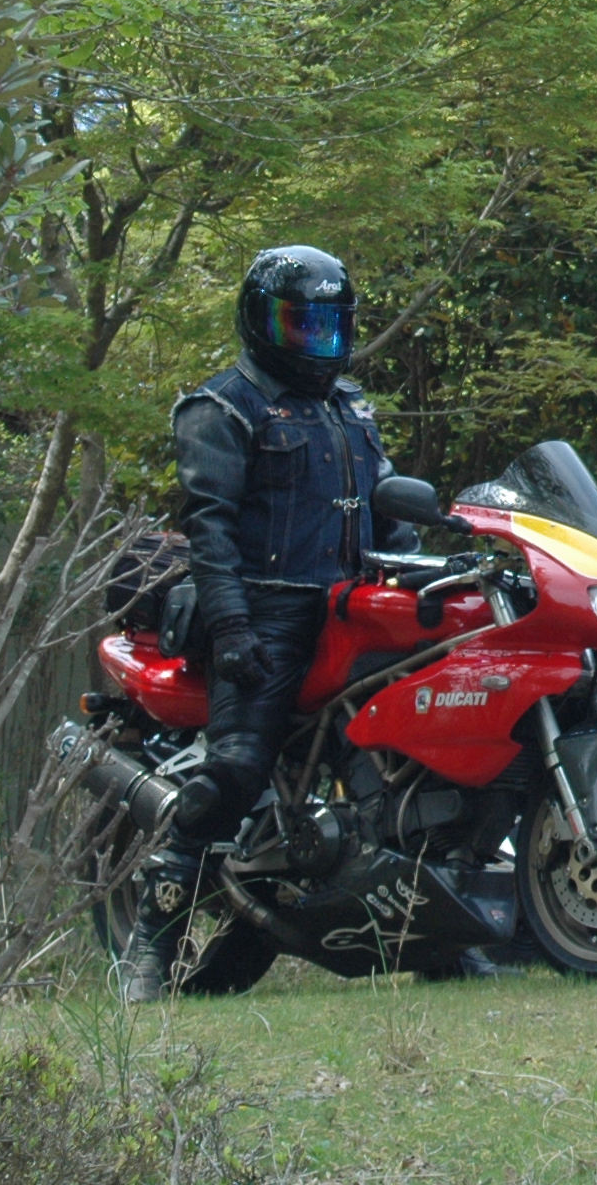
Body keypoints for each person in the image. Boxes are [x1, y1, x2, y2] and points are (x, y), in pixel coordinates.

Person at [119, 245, 411, 1000]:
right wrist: (232, 627)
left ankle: (439, 936)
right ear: (260, 321)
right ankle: (150, 946)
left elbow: (390, 509)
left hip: (356, 609)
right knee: (237, 767)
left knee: (405, 754)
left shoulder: (351, 406)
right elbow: (209, 528)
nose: (319, 340)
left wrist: (424, 569)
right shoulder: (221, 407)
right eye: (301, 324)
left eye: (330, 325)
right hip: (265, 610)